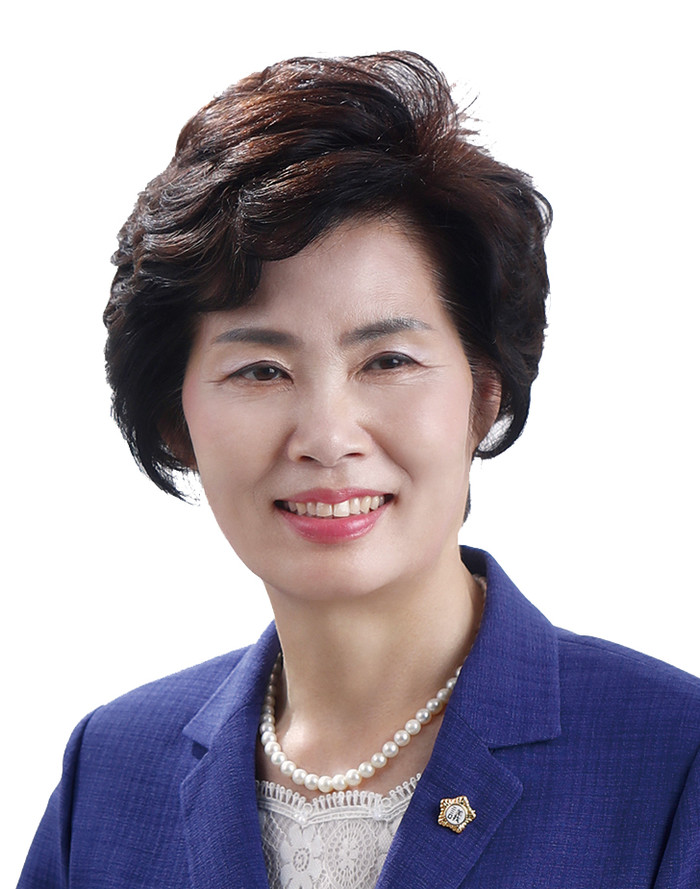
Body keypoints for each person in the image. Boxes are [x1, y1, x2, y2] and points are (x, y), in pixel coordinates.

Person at [18, 51, 700, 889]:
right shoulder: (112, 771)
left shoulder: (675, 759)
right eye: (260, 370)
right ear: (176, 419)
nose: (327, 436)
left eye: (388, 361)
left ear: (484, 394)